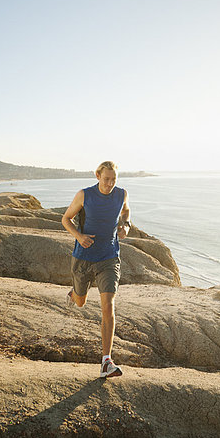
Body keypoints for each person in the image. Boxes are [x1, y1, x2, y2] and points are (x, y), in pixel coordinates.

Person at [62, 161, 131, 378]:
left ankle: (106, 362)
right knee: (80, 302)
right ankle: (74, 293)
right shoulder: (85, 195)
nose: (110, 184)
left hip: (109, 257)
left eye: (113, 180)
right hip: (83, 258)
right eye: (106, 179)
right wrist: (79, 236)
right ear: (98, 175)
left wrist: (126, 225)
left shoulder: (121, 194)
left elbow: (126, 212)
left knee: (108, 306)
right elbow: (66, 219)